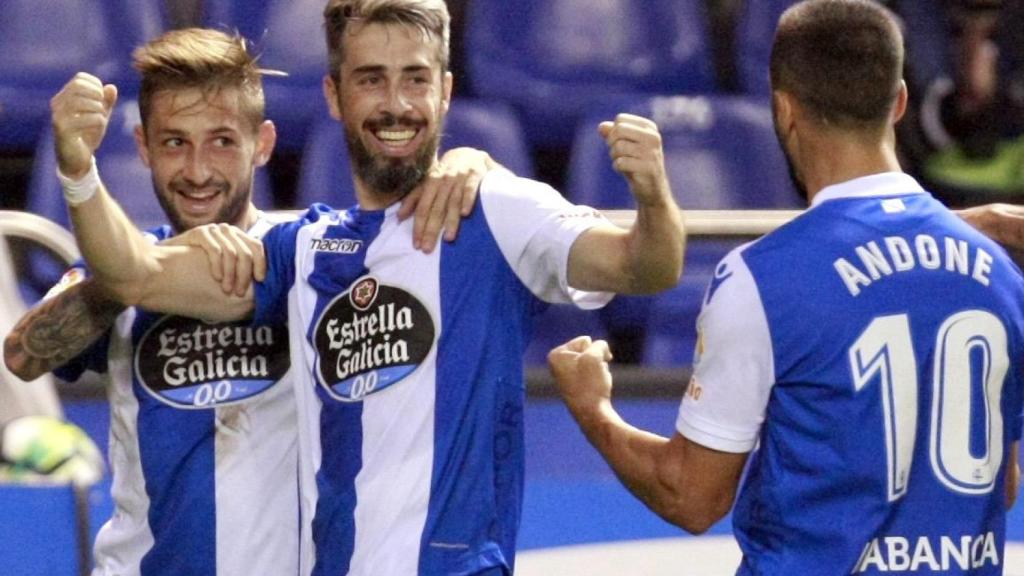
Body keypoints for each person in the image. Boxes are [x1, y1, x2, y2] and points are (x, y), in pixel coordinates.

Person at [48, 1, 685, 574]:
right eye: (370, 79)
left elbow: (645, 268)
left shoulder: (497, 209)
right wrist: (79, 174)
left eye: (415, 78)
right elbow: (130, 274)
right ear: (334, 95)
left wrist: (654, 195)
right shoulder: (302, 248)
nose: (396, 103)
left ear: (445, 93)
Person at [549, 1, 1024, 574]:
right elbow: (1003, 484)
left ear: (783, 110)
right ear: (899, 101)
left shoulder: (762, 280)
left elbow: (691, 497)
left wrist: (593, 409)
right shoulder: (998, 272)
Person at [2, 26, 497, 575]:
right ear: (143, 147)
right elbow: (24, 356)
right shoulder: (120, 266)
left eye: (222, 141)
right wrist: (134, 264)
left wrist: (471, 161)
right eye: (174, 142)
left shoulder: (314, 257)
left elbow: (408, 212)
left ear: (262, 144)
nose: (197, 171)